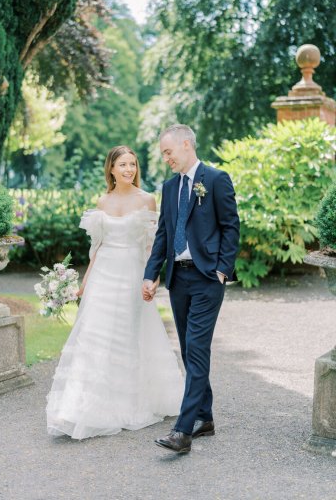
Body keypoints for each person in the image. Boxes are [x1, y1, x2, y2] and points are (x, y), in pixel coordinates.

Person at [46, 145, 184, 440]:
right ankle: (79, 407)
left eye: (132, 165)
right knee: (93, 335)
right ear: (111, 169)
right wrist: (83, 283)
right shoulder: (102, 200)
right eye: (123, 165)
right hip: (103, 276)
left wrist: (152, 277)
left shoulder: (147, 199)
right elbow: (97, 247)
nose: (129, 170)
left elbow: (152, 245)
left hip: (132, 273)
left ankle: (128, 401)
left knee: (127, 335)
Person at [142, 124, 240, 453]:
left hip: (207, 278)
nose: (166, 158)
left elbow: (231, 227)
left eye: (168, 152)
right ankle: (206, 417)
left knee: (196, 349)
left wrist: (222, 270)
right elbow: (163, 234)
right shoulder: (169, 188)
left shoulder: (215, 179)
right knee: (187, 350)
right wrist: (150, 273)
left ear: (186, 145)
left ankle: (183, 431)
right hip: (178, 280)